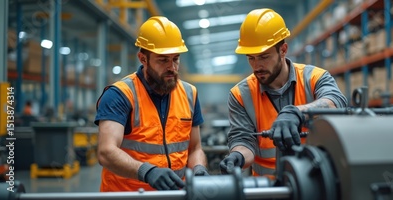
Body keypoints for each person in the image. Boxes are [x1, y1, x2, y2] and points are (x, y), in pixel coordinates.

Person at [219, 8, 348, 178]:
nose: (257, 66)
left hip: (316, 183)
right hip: (266, 189)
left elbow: (336, 101)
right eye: (251, 58)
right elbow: (244, 139)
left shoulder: (315, 78)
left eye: (264, 57)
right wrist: (238, 155)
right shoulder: (240, 94)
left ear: (283, 50)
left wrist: (297, 113)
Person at [94, 16, 209, 192]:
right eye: (163, 60)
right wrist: (147, 172)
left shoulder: (189, 94)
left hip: (175, 194)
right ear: (143, 59)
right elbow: (106, 152)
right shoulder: (120, 95)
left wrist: (199, 169)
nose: (172, 67)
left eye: (175, 59)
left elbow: (195, 148)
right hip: (128, 195)